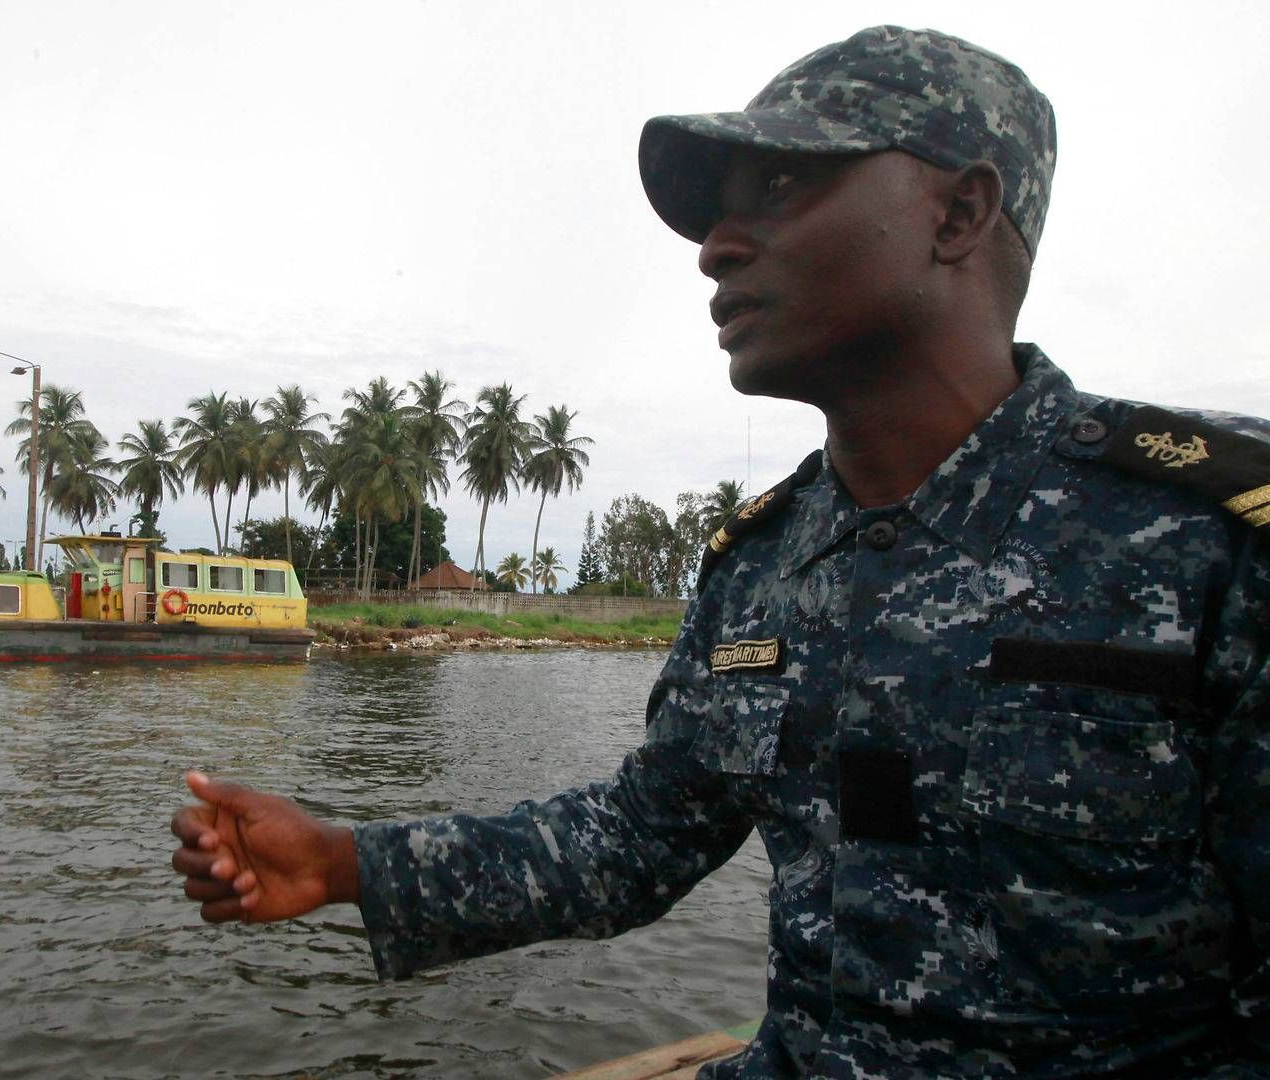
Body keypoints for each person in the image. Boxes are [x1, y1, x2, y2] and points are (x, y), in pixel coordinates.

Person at [171, 26, 1270, 1077]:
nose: (716, 247)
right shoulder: (760, 566)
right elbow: (635, 839)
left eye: (784, 189)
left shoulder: (1205, 538)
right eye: (723, 213)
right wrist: (346, 863)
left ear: (960, 211)